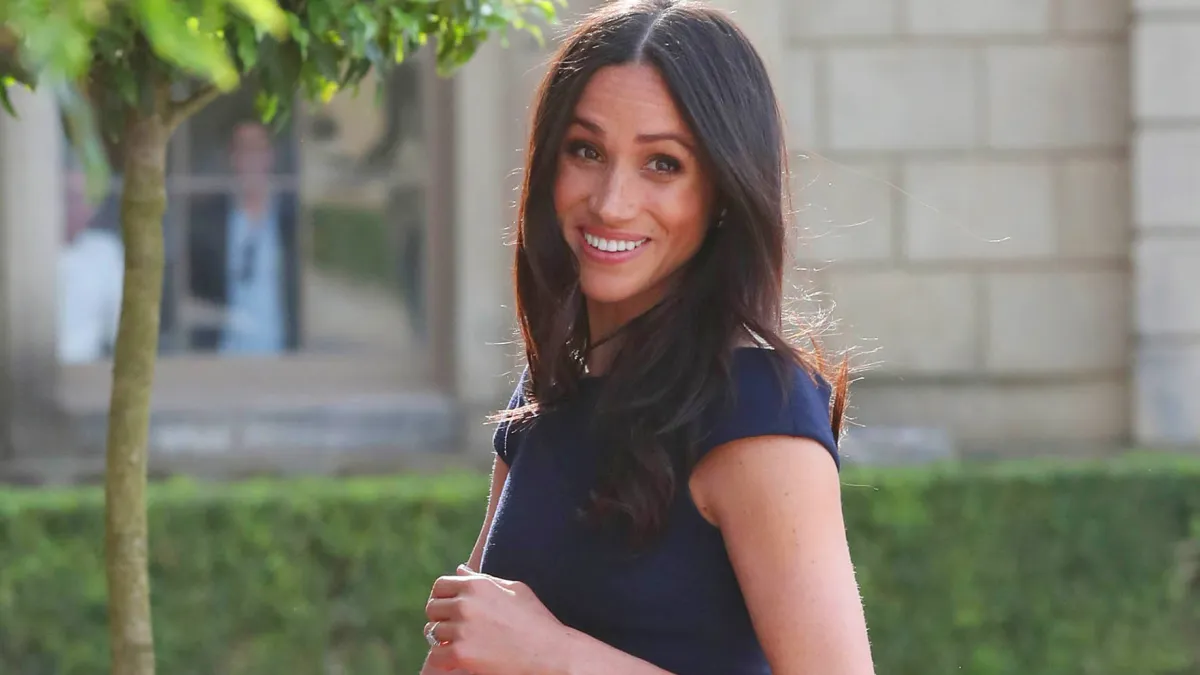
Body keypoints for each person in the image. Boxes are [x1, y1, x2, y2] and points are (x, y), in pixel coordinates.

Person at [421, 1, 876, 673]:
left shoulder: (756, 412)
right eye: (586, 151)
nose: (611, 202)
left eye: (662, 164)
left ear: (721, 191)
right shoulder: (555, 385)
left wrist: (553, 654)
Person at [188, 120, 300, 355]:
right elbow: (191, 295)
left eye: (258, 150)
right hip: (225, 355)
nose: (251, 160)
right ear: (232, 158)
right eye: (244, 150)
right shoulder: (210, 222)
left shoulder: (291, 220)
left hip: (281, 356)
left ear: (270, 156)